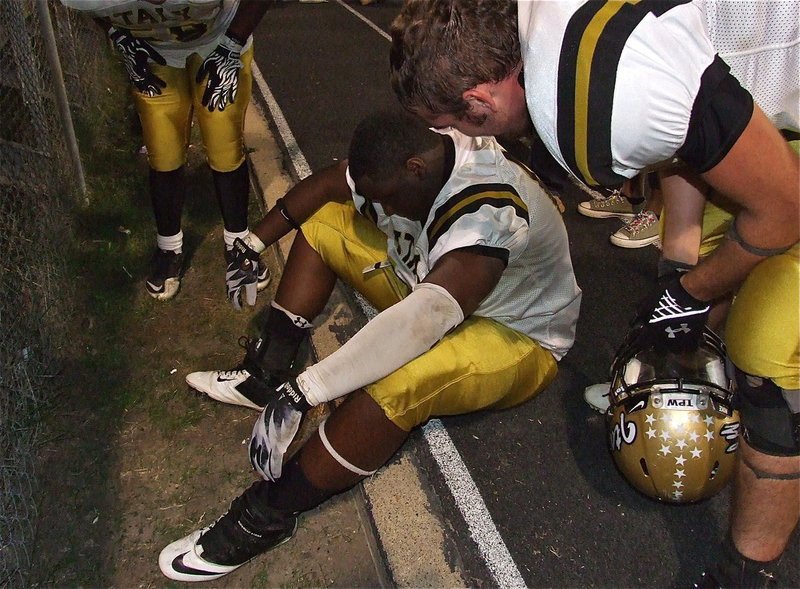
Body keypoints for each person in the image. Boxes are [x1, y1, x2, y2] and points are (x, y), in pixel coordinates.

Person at [389, 1, 799, 586]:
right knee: (714, 256)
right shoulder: (543, 32)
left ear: (479, 102)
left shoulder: (595, 112)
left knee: (767, 353)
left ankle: (749, 571)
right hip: (748, 86)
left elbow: (783, 211)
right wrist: (678, 262)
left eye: (453, 123)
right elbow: (688, 126)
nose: (457, 137)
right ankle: (692, 369)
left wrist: (688, 292)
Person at [157, 108, 581, 581]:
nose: (383, 210)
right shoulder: (424, 150)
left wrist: (308, 390)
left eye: (387, 198)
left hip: (515, 330)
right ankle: (265, 373)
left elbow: (423, 321)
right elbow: (325, 185)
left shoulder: (486, 214)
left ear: (414, 171)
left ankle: (265, 515)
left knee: (401, 381)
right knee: (324, 226)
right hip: (440, 288)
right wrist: (252, 243)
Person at [60, 0, 271, 306]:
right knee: (163, 152)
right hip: (154, 49)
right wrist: (119, 36)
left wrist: (232, 43)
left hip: (219, 38)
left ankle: (237, 240)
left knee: (224, 144)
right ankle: (168, 247)